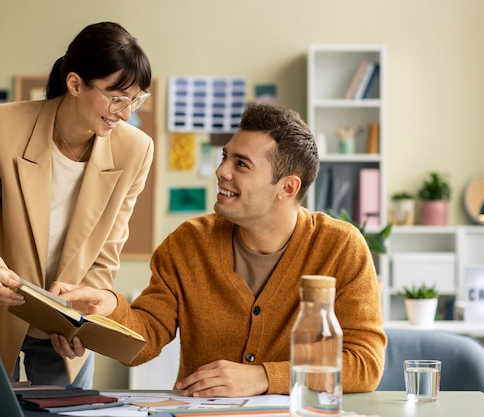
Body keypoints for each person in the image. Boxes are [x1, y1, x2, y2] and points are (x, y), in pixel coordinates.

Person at [50, 103, 386, 397]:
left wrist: (263, 377)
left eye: (242, 164)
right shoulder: (189, 243)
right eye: (226, 156)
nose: (221, 171)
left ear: (288, 187)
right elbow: (147, 336)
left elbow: (365, 363)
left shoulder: (341, 247)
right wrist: (109, 309)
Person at [0, 21, 153, 389]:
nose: (126, 112)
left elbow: (106, 252)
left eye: (136, 99)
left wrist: (82, 317)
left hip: (61, 322)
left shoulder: (136, 149)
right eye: (117, 97)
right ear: (74, 84)